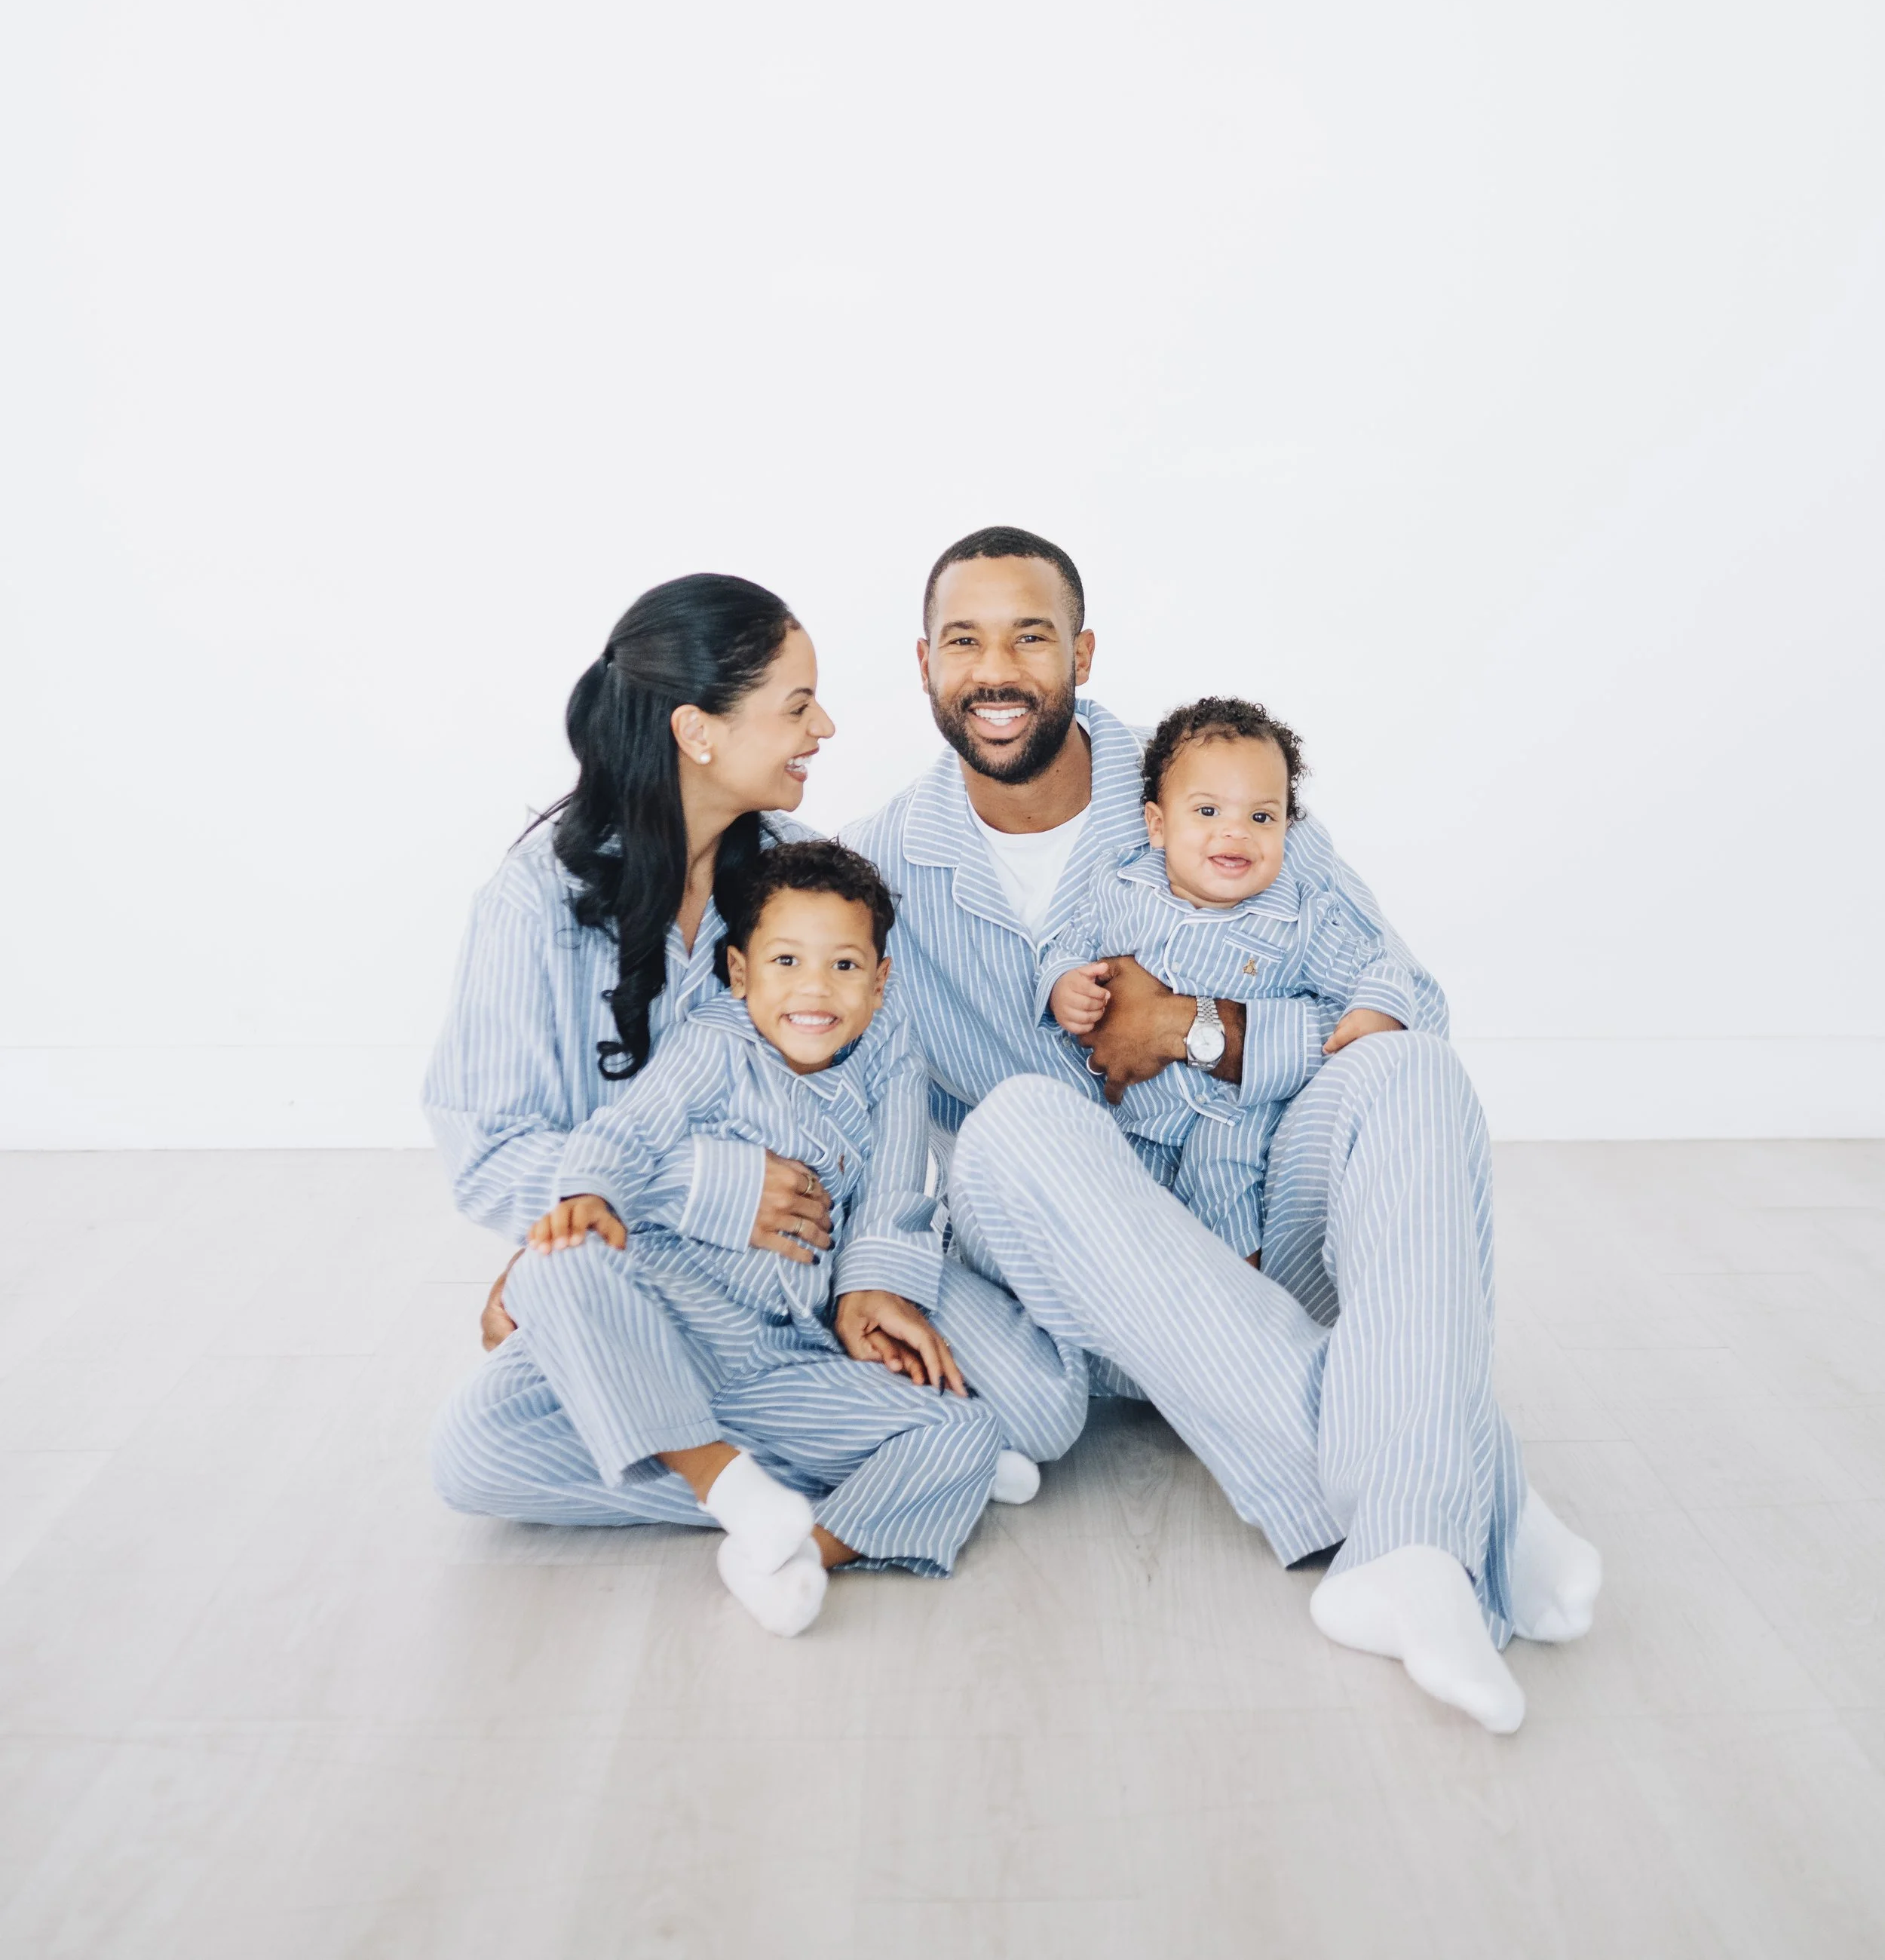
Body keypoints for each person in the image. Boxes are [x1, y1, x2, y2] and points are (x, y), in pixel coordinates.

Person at [847, 524, 1601, 1735]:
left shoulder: (1217, 779)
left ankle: (1408, 1549)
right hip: (1072, 1269)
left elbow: (1406, 994)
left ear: (1081, 651)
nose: (998, 668)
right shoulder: (884, 863)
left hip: (1258, 1222)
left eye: (1030, 636)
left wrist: (1206, 1028)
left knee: (1411, 1074)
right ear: (924, 664)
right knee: (1020, 1121)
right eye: (965, 640)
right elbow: (874, 1091)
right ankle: (1469, 1498)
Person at [425, 571, 1080, 1568]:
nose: (822, 726)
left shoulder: (805, 877)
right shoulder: (534, 906)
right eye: (796, 704)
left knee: (1041, 1409)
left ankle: (836, 1444)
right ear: (699, 732)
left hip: (829, 1253)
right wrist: (707, 1191)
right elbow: (492, 1156)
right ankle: (836, 1480)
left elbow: (893, 1079)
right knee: (479, 1455)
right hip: (669, 1278)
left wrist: (873, 1280)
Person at [512, 841, 1050, 1635]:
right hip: (668, 1326)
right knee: (552, 1266)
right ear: (739, 974)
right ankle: (727, 1485)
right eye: (787, 960)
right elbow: (626, 1131)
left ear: (879, 980)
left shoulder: (886, 1062)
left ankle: (793, 1554)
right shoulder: (714, 1046)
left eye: (842, 966)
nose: (814, 989)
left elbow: (895, 1195)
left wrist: (876, 1289)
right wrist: (591, 1195)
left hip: (779, 1359)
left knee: (965, 1429)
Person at [1040, 695, 1429, 1262]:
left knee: (1223, 1176)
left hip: (1237, 1114)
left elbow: (1377, 965)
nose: (1236, 833)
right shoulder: (1119, 888)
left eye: (1261, 817)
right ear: (1157, 825)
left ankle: (1244, 1298)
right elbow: (1068, 944)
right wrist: (1063, 982)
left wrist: (1377, 1010)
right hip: (1133, 1116)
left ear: (1286, 831)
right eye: (1207, 813)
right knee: (1114, 1200)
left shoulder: (1298, 918)